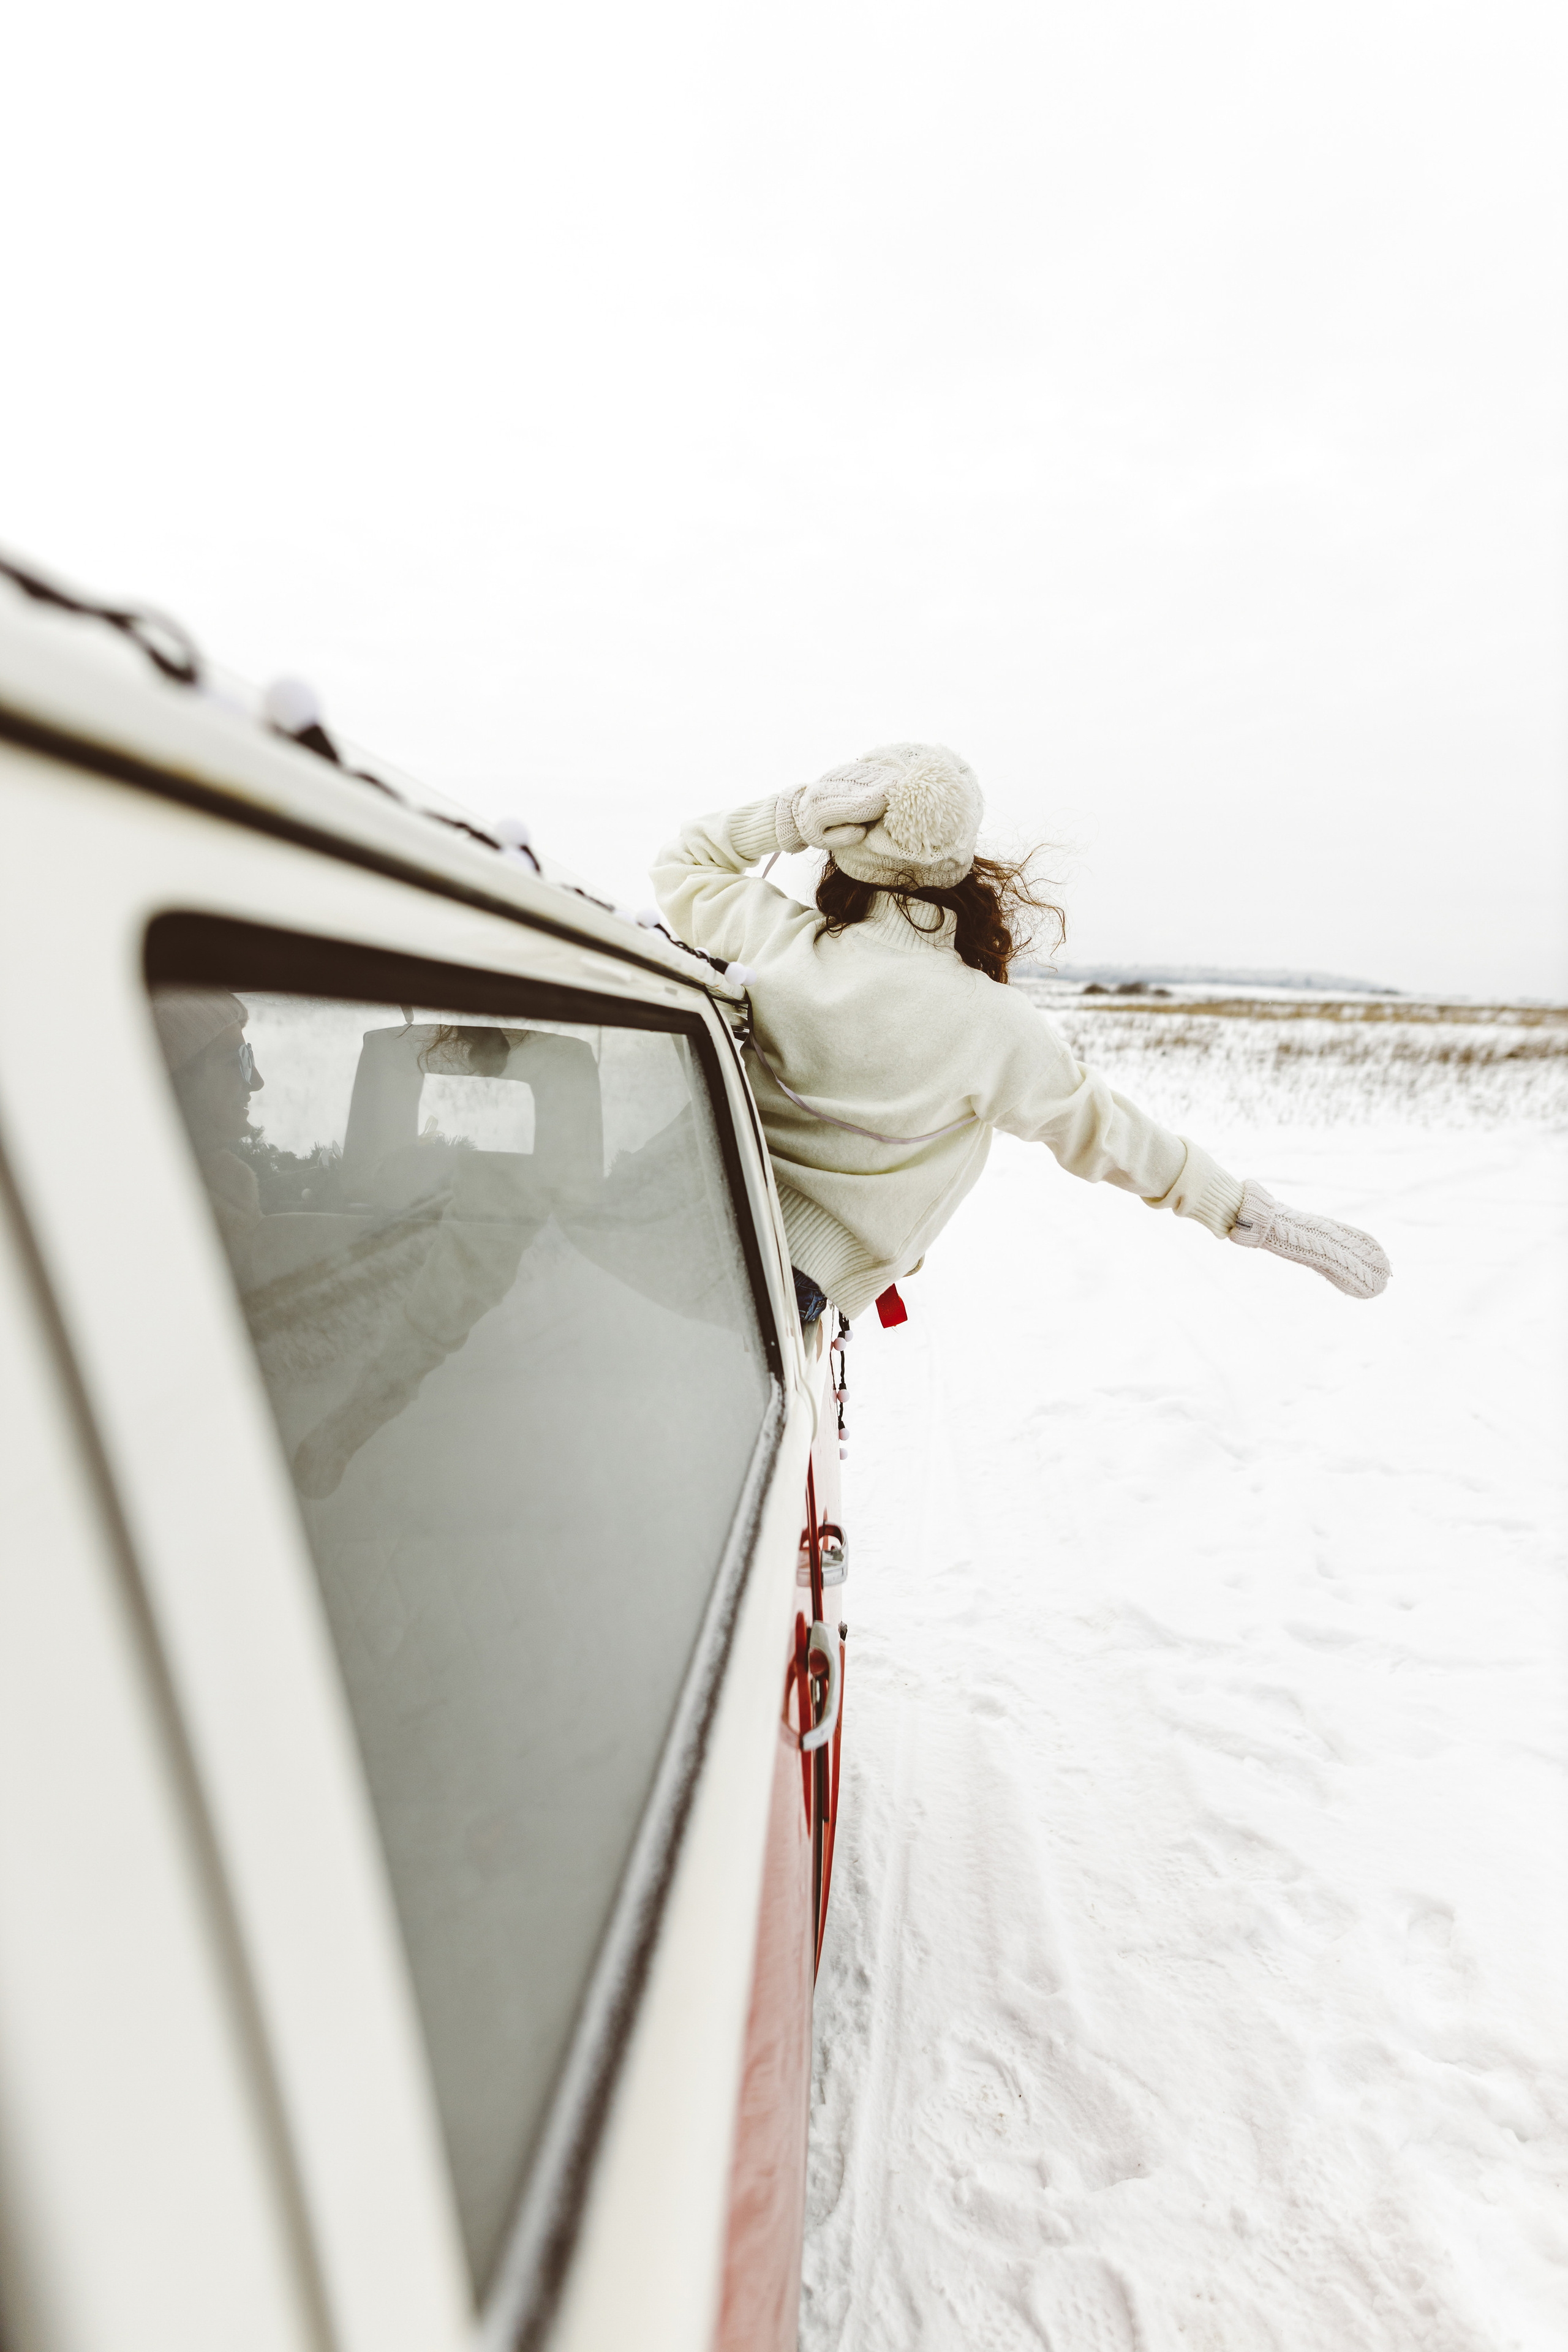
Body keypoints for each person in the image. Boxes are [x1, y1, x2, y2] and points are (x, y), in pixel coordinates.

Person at [652, 742, 1390, 1328]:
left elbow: (681, 862)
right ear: (957, 865)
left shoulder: (780, 939)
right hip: (795, 1279)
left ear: (843, 842)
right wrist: (1246, 1214)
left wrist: (791, 814)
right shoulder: (991, 1023)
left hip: (679, 1209)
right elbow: (1108, 1134)